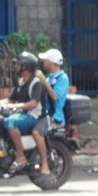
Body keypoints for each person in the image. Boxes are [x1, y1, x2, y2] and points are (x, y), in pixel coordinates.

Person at [2, 53, 43, 176]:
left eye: (18, 63)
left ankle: (21, 157)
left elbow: (34, 103)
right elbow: (10, 99)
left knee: (10, 121)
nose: (16, 65)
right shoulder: (21, 82)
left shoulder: (36, 82)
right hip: (22, 115)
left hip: (33, 116)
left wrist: (16, 106)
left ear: (25, 66)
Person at [32, 48, 69, 180]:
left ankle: (45, 166)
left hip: (54, 116)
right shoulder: (50, 77)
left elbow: (55, 97)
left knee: (36, 132)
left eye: (46, 60)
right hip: (43, 113)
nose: (43, 62)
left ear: (51, 62)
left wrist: (43, 80)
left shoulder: (62, 78)